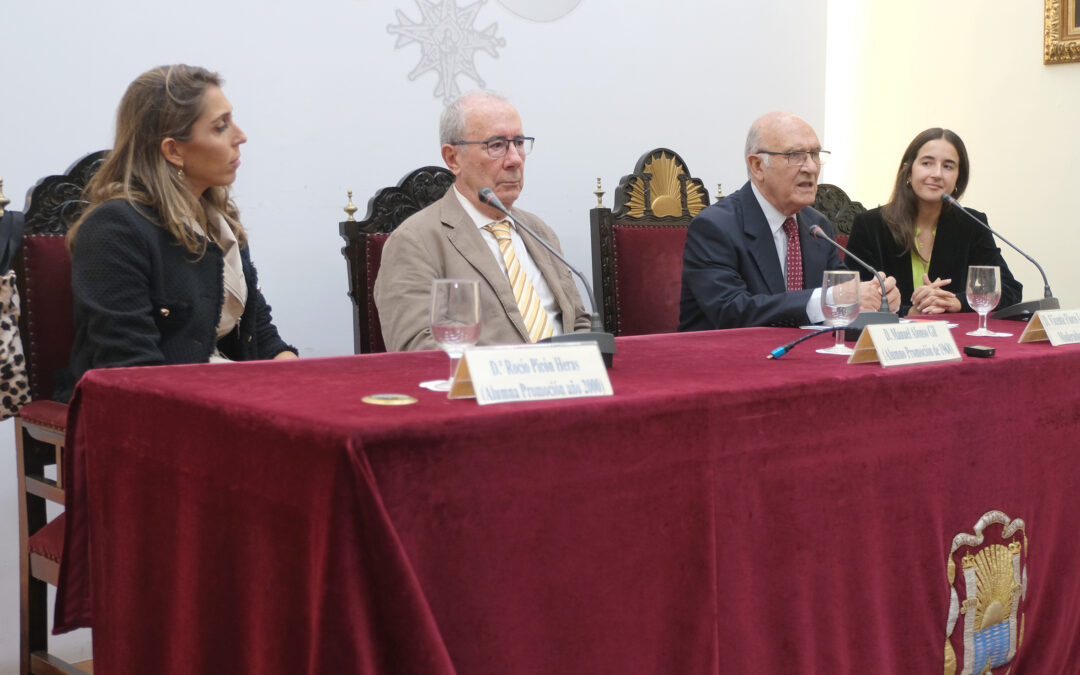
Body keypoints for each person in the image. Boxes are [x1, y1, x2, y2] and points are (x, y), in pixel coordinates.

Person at [59, 64, 296, 402]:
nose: (240, 136)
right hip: (148, 414)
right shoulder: (113, 229)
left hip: (225, 395)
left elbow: (260, 333)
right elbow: (132, 369)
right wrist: (246, 390)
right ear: (173, 150)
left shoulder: (221, 221)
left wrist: (301, 379)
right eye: (221, 126)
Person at [374, 91, 590, 351]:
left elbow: (578, 323)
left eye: (519, 143)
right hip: (482, 388)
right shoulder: (415, 242)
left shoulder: (539, 232)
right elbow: (416, 349)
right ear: (453, 158)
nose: (514, 160)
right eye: (496, 145)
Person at [679, 112, 899, 331]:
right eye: (795, 155)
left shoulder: (817, 227)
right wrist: (830, 299)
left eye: (814, 154)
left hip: (802, 359)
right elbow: (732, 311)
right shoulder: (715, 227)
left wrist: (875, 297)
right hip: (724, 359)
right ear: (757, 166)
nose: (811, 167)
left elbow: (840, 299)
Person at [845, 128, 1021, 315]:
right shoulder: (870, 225)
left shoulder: (972, 224)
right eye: (927, 163)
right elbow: (850, 297)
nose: (937, 173)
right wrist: (911, 311)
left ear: (958, 179)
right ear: (908, 172)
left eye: (948, 166)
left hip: (954, 339)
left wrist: (956, 302)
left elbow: (1010, 290)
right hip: (887, 338)